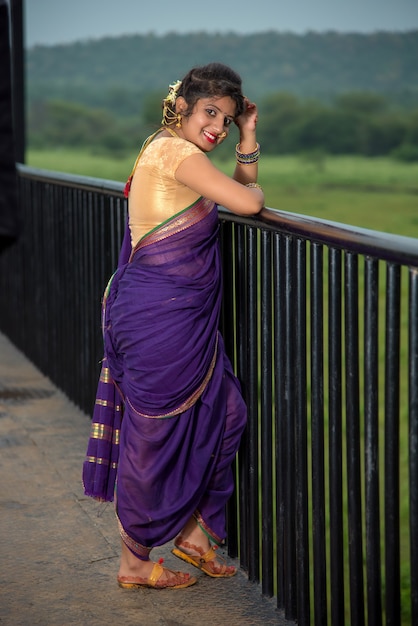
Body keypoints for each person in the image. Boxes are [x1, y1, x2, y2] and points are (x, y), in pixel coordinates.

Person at [82, 62, 264, 590]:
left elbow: (238, 187)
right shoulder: (177, 153)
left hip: (178, 318)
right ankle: (134, 562)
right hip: (160, 318)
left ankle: (192, 534)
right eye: (211, 113)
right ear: (182, 105)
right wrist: (242, 150)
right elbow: (250, 201)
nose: (218, 128)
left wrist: (248, 137)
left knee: (224, 411)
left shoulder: (169, 148)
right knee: (153, 435)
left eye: (227, 120)